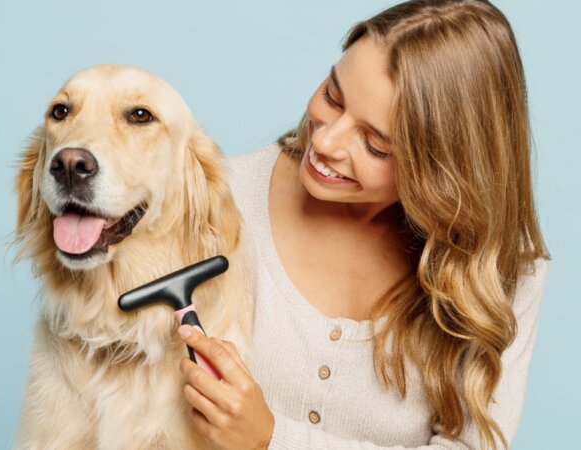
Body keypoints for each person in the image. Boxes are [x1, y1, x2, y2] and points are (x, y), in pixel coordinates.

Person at [176, 1, 550, 449]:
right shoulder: (214, 203)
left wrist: (272, 440)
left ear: (443, 172)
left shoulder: (503, 272)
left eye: (374, 145)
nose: (326, 139)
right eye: (333, 96)